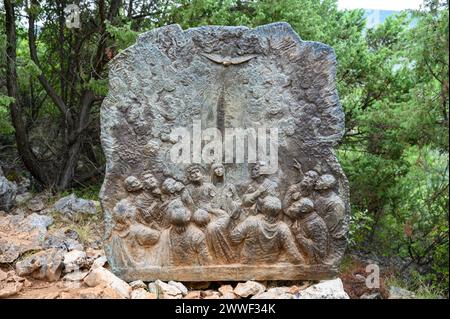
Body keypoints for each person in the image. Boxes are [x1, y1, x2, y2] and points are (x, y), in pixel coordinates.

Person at [230, 196, 304, 264]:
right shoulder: (283, 228)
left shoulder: (251, 221)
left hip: (248, 262)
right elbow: (294, 256)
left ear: (263, 209)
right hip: (270, 263)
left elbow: (234, 238)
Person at [166, 199, 212, 266]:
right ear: (188, 217)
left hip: (175, 270)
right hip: (195, 271)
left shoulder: (166, 233)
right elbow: (206, 258)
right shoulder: (197, 234)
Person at [314, 174, 347, 264]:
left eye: (320, 180)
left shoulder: (336, 204)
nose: (317, 181)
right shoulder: (319, 196)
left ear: (326, 187)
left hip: (328, 239)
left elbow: (327, 226)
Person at [286, 198, 329, 263]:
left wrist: (298, 234)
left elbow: (319, 251)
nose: (294, 204)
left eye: (298, 204)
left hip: (316, 258)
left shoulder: (314, 224)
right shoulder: (304, 217)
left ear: (304, 210)